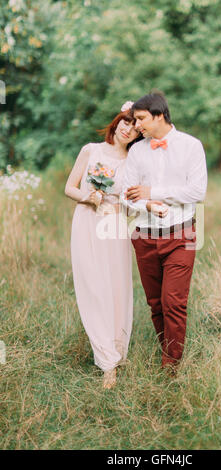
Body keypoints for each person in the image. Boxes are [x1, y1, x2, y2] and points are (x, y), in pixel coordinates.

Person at [120, 93, 207, 374]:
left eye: (141, 119)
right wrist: (144, 202)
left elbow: (196, 192)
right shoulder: (136, 151)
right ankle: (165, 348)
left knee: (173, 302)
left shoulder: (191, 147)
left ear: (159, 115)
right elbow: (126, 195)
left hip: (181, 235)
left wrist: (153, 192)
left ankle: (171, 364)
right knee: (155, 302)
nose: (137, 125)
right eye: (135, 119)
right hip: (144, 236)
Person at [65, 102, 141, 389]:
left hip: (115, 227)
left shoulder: (133, 163)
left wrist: (123, 205)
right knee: (93, 287)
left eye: (135, 127)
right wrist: (89, 197)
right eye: (126, 121)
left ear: (138, 135)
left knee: (116, 288)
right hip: (86, 223)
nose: (128, 129)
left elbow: (133, 205)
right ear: (118, 120)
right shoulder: (90, 150)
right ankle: (106, 358)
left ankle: (116, 353)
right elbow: (69, 187)